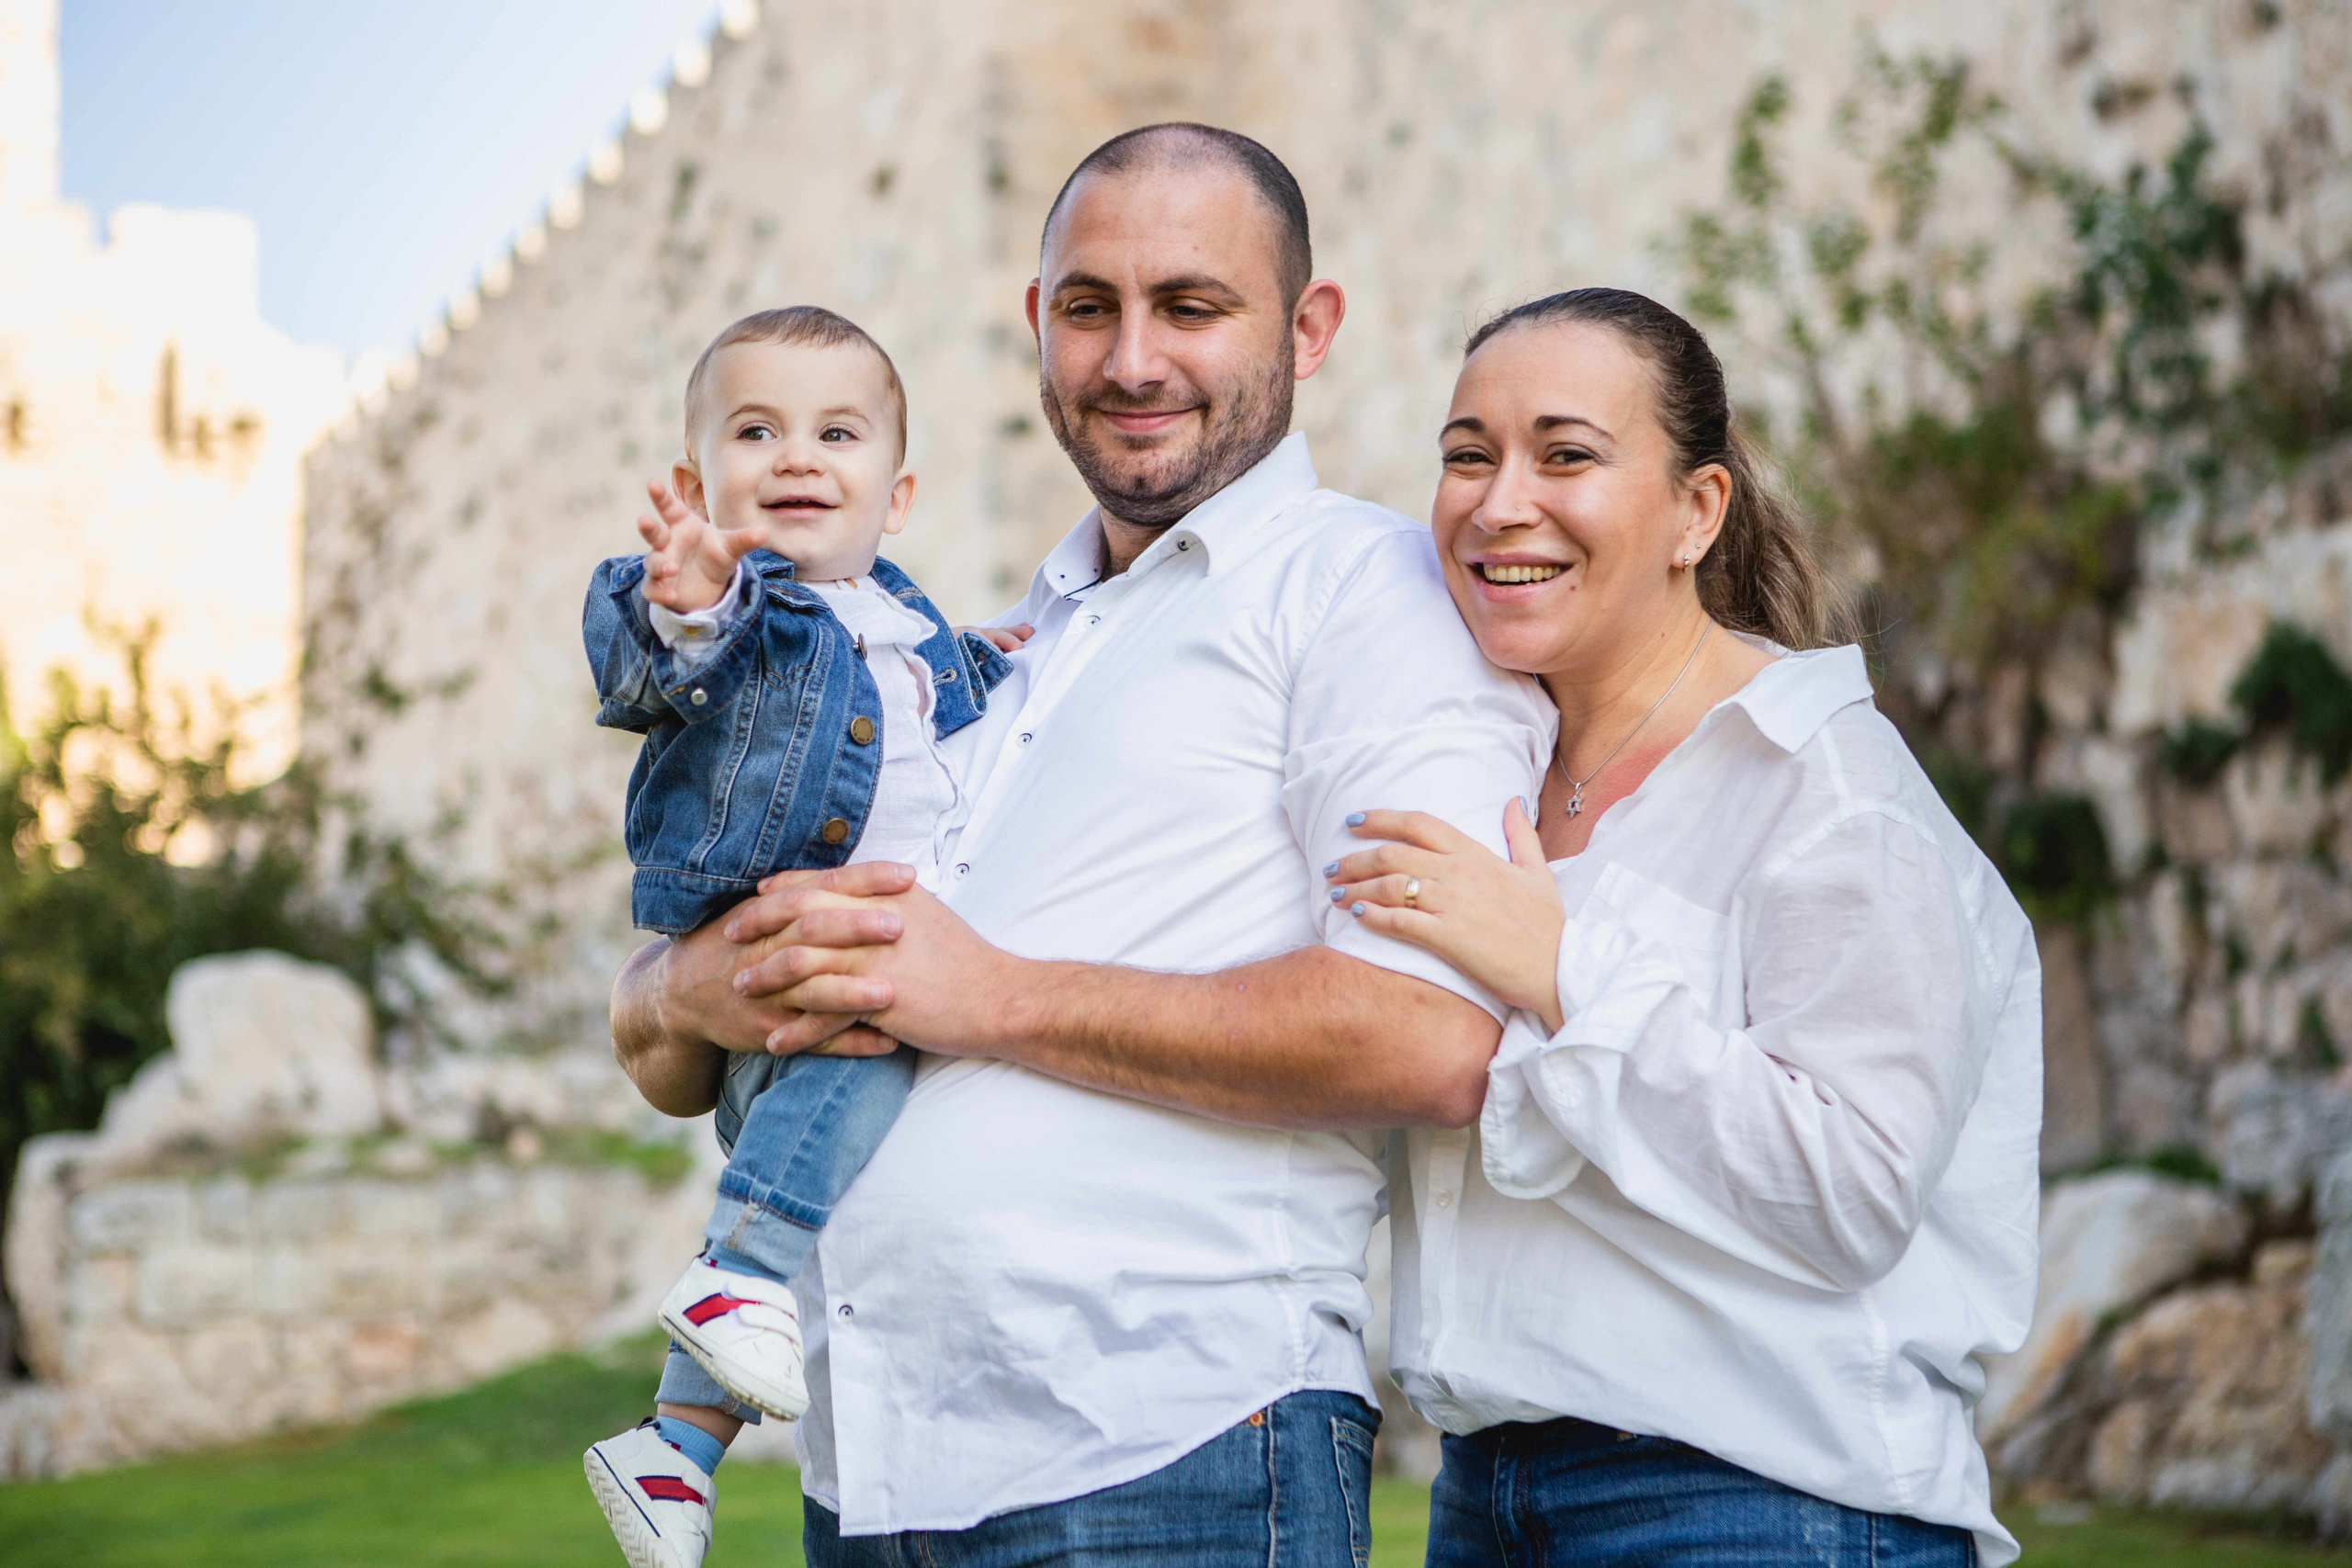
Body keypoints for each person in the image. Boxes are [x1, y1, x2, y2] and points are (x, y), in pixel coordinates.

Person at [606, 124, 1553, 1566]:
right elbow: (667, 1050)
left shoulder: (1373, 596)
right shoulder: (982, 653)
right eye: (1091, 308)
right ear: (1036, 323)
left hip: (1170, 1462)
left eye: (1192, 306)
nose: (1132, 360)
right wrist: (683, 990)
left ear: (1309, 329)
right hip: (872, 1484)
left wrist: (988, 993)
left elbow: (1424, 1039)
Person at [1321, 288, 2041, 1566]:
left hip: (1764, 1503)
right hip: (1487, 1499)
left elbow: (1854, 1188)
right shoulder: (1481, 775)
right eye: (1469, 456)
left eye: (1567, 456)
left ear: (1696, 511)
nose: (1500, 502)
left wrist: (1562, 969)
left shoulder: (1825, 790)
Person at [575, 305, 1021, 1568]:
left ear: (899, 493)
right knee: (868, 1060)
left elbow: (941, 720)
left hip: (856, 965)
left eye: (837, 434)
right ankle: (736, 1271)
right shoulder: (740, 609)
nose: (797, 458)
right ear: (694, 482)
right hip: (800, 958)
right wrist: (689, 603)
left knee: (824, 1161)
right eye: (756, 432)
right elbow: (658, 665)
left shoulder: (906, 622)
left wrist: (998, 663)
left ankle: (673, 1448)